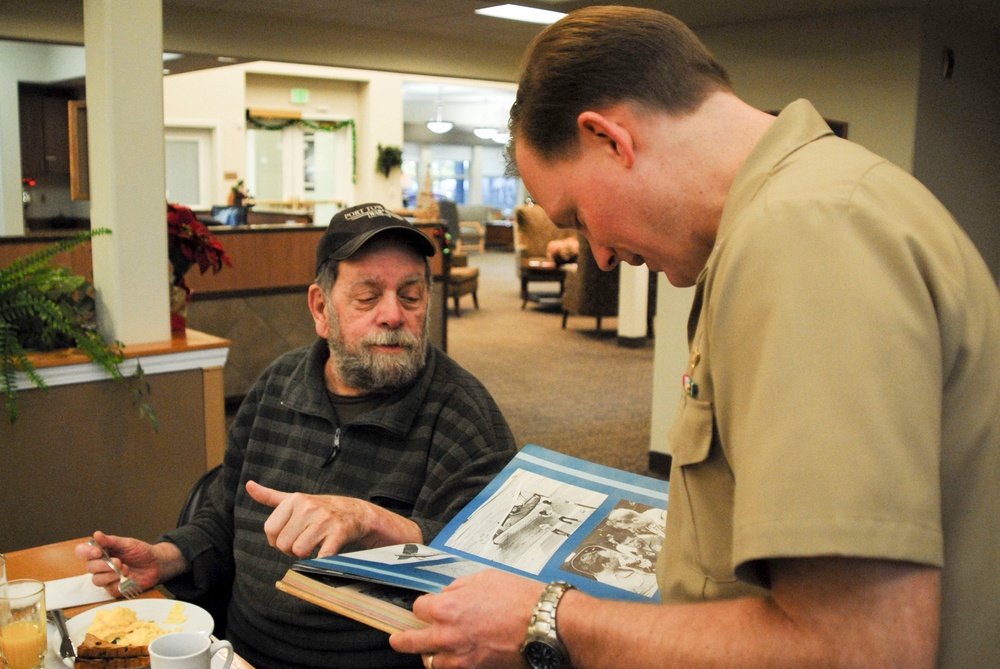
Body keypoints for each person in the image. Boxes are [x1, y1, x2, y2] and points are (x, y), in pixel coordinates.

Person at [390, 7, 1000, 669]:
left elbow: (859, 646)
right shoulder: (810, 209)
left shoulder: (804, 237)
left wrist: (548, 619)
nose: (596, 255)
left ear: (607, 139)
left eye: (576, 215)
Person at [77, 203, 518, 669]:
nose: (393, 315)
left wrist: (373, 524)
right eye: (367, 298)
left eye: (410, 296)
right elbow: (227, 517)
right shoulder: (277, 387)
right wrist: (166, 557)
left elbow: (487, 578)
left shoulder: (465, 416)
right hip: (236, 654)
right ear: (320, 309)